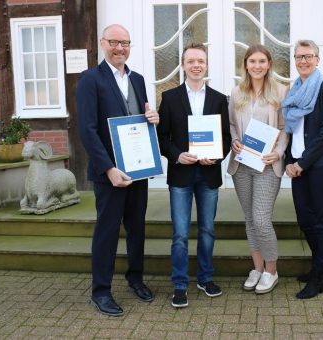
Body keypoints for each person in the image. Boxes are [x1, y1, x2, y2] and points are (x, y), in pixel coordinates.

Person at [76, 24, 159, 316]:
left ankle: (135, 279)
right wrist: (109, 168)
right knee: (108, 231)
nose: (120, 48)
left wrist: (153, 117)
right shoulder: (90, 79)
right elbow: (86, 130)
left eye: (125, 43)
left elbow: (141, 118)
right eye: (114, 42)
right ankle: (101, 292)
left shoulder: (137, 79)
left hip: (137, 169)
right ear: (103, 43)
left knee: (137, 228)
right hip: (109, 174)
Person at [157, 43, 231, 308]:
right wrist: (177, 155)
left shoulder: (219, 98)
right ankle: (179, 284)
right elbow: (162, 137)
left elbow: (225, 137)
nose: (196, 65)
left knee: (207, 230)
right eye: (191, 61)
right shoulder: (169, 97)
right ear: (183, 65)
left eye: (200, 60)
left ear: (206, 64)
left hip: (209, 173)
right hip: (181, 174)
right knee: (179, 233)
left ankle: (205, 277)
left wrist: (218, 156)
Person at [283, 40, 323, 299]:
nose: (303, 61)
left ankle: (318, 276)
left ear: (317, 60)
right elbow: (290, 130)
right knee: (305, 221)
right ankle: (322, 266)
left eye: (308, 56)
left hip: (322, 166)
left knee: (321, 222)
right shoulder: (293, 92)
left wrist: (301, 163)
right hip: (298, 166)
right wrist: (288, 160)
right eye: (298, 57)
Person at [227, 45, 288, 294]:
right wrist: (234, 140)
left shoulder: (281, 92)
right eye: (252, 61)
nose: (257, 66)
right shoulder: (236, 92)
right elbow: (231, 124)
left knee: (262, 219)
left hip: (266, 164)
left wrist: (279, 152)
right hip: (242, 164)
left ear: (269, 64)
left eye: (262, 61)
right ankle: (257, 267)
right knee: (250, 220)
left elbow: (285, 127)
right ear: (246, 64)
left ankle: (271, 271)